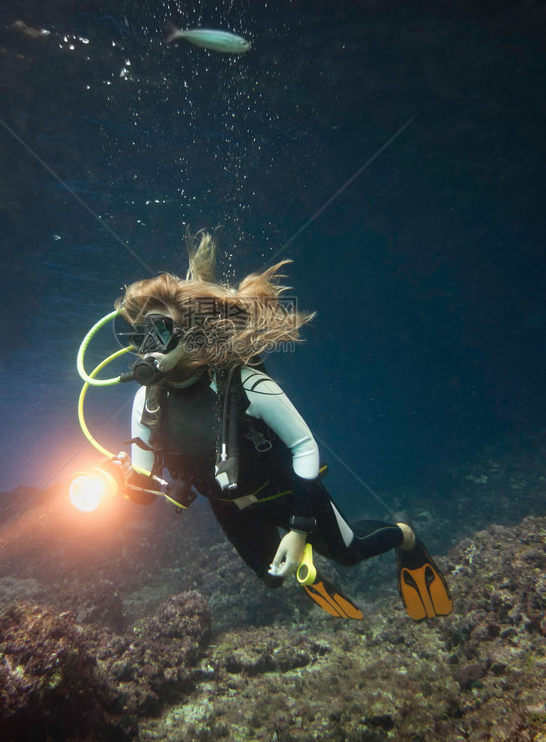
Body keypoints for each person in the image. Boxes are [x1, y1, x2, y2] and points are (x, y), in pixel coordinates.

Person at [113, 233, 452, 621]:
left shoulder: (246, 383)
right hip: (229, 507)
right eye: (137, 336)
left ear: (190, 333)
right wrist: (125, 482)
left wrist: (299, 526)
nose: (147, 348)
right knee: (273, 578)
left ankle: (405, 537)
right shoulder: (147, 401)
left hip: (285, 493)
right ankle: (305, 565)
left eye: (159, 333)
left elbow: (305, 446)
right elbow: (142, 487)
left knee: (349, 552)